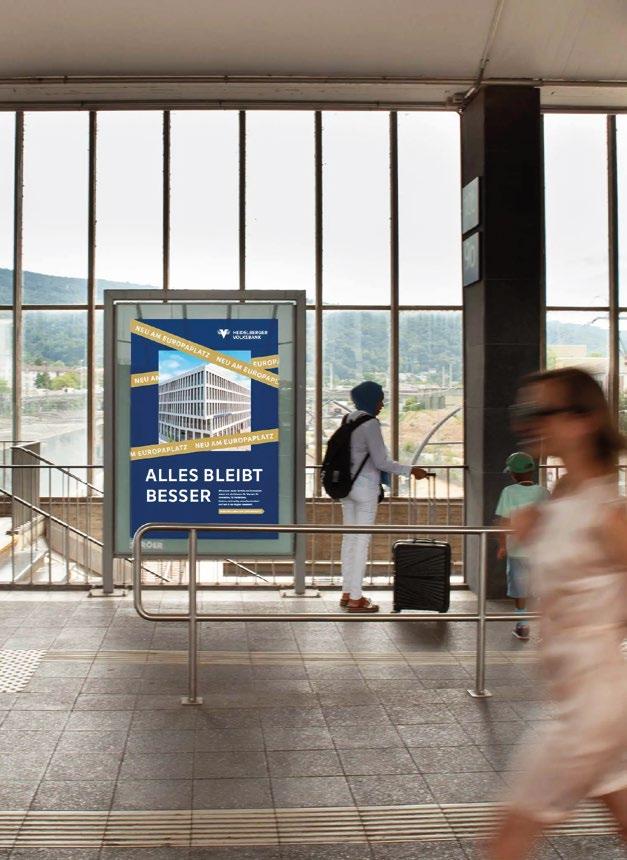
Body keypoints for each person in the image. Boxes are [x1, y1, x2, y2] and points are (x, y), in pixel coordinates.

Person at [487, 368, 627, 860]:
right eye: (523, 411)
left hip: (589, 706)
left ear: (583, 420)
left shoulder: (608, 512)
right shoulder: (566, 493)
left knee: (506, 840)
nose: (526, 423)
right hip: (583, 695)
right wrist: (540, 524)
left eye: (540, 412)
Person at [339, 380, 429, 613]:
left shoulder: (348, 419)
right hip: (365, 489)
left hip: (345, 487)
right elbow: (381, 462)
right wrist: (411, 470)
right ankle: (356, 599)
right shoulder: (370, 424)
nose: (382, 404)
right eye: (380, 399)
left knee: (349, 539)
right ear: (371, 400)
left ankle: (347, 592)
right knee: (361, 541)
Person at [494, 452, 550, 640]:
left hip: (517, 550)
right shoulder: (543, 492)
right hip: (540, 550)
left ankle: (522, 625)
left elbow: (503, 521)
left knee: (519, 590)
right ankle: (545, 628)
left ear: (513, 474)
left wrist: (502, 545)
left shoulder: (509, 492)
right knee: (543, 589)